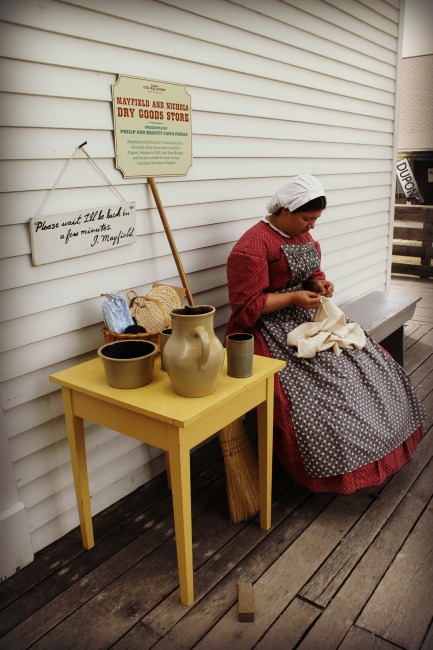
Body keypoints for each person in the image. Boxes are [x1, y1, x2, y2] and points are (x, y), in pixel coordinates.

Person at [226, 175, 426, 494]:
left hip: (307, 317)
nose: (312, 227)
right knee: (319, 394)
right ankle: (334, 464)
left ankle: (382, 440)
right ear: (286, 211)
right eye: (307, 219)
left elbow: (310, 274)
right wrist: (292, 298)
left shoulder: (301, 237)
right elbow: (246, 305)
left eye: (316, 220)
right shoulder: (251, 247)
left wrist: (318, 284)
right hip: (269, 329)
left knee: (368, 365)